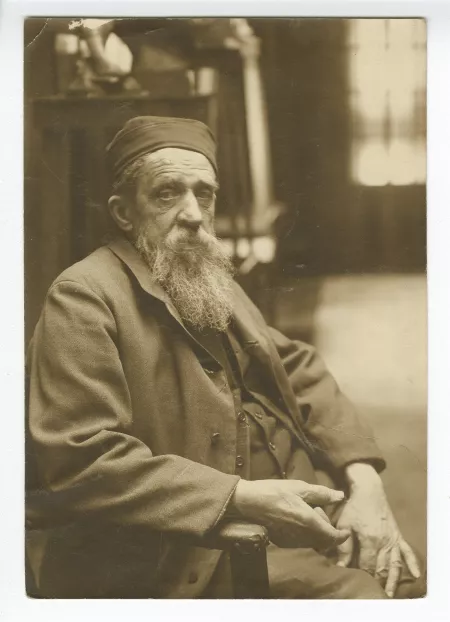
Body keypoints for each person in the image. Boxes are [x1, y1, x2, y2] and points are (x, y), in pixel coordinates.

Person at [26, 116, 425, 599]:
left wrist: (364, 481)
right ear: (124, 213)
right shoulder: (83, 296)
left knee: (404, 575)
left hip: (289, 525)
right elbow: (81, 458)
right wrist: (242, 497)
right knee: (383, 596)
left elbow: (298, 368)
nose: (193, 213)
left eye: (205, 194)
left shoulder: (204, 279)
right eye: (167, 193)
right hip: (196, 553)